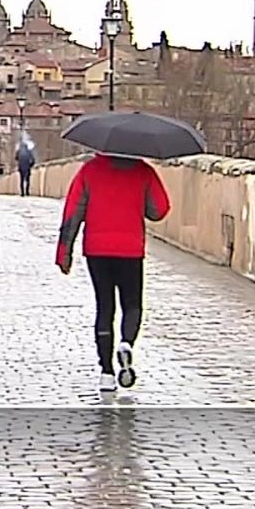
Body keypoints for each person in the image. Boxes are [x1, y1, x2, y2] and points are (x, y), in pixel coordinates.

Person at [55, 152, 170, 391]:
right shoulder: (143, 171)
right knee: (132, 305)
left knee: (104, 307)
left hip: (97, 250)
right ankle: (127, 342)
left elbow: (73, 212)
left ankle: (106, 372)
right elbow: (159, 210)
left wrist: (64, 252)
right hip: (130, 250)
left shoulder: (90, 170)